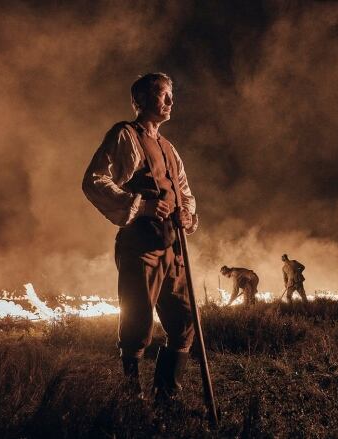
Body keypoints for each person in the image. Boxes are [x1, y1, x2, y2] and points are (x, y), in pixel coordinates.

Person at [82, 73, 198, 400]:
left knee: (185, 320)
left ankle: (166, 395)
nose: (170, 102)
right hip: (140, 245)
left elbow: (183, 190)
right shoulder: (125, 135)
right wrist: (142, 206)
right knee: (137, 323)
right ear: (142, 100)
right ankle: (131, 397)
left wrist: (186, 214)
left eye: (171, 95)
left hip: (173, 247)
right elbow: (94, 179)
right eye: (163, 95)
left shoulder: (168, 147)